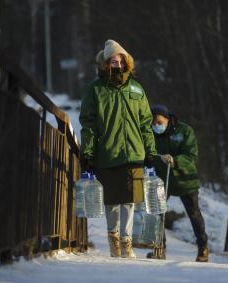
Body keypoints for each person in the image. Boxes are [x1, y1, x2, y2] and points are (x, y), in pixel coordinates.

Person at [79, 39, 156, 258]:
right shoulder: (95, 90)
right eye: (113, 61)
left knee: (130, 200)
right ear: (105, 64)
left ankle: (127, 243)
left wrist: (150, 151)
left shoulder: (136, 89)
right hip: (108, 153)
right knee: (112, 201)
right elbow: (89, 124)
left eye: (120, 60)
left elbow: (145, 123)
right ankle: (113, 240)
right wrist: (88, 152)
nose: (117, 64)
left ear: (126, 62)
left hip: (134, 153)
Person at [148, 104, 209, 262]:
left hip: (185, 179)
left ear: (168, 120)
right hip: (163, 178)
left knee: (194, 214)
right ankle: (159, 248)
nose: (156, 126)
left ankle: (203, 247)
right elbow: (147, 153)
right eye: (153, 124)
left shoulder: (184, 131)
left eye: (159, 123)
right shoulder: (150, 133)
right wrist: (155, 159)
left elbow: (191, 155)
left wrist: (175, 160)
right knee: (157, 213)